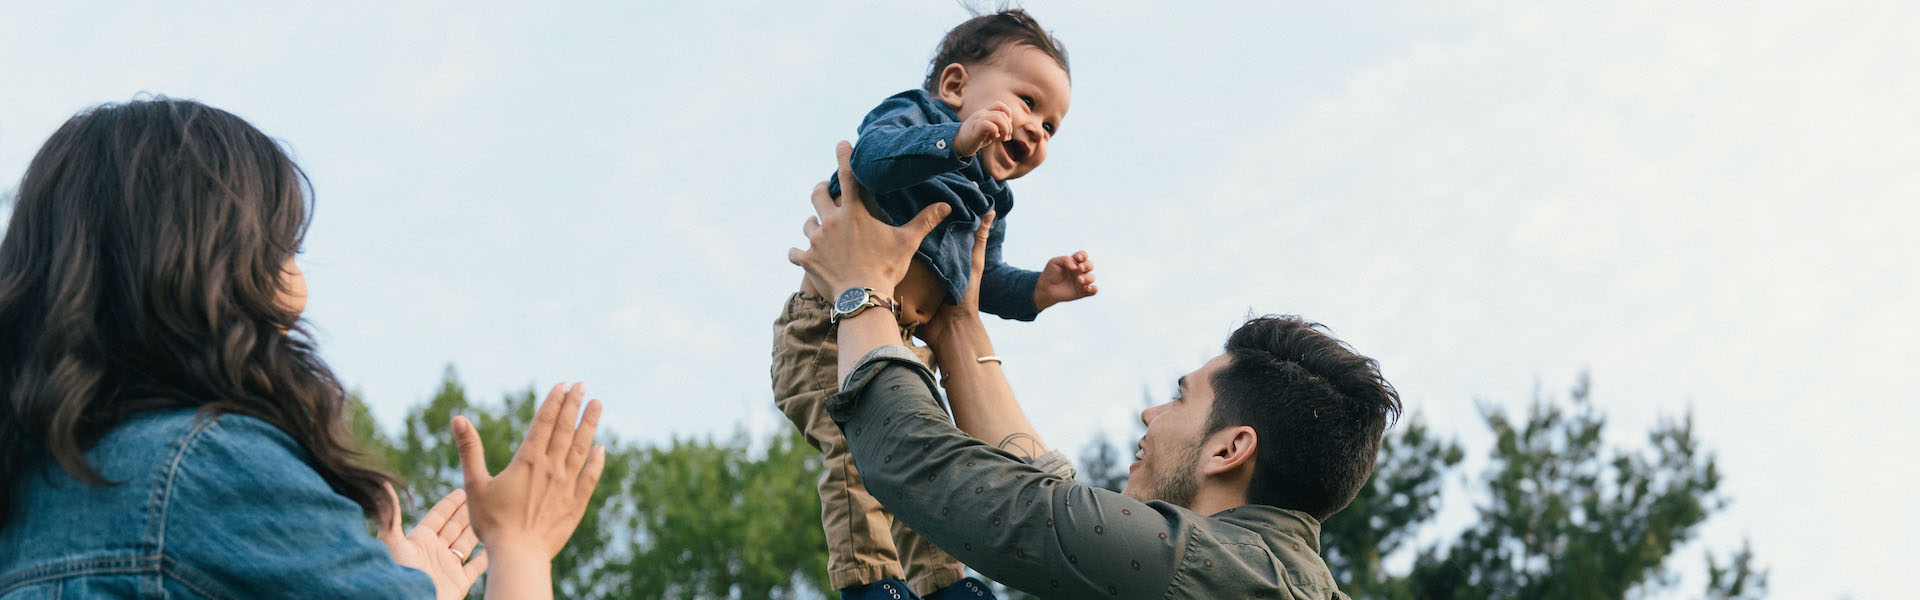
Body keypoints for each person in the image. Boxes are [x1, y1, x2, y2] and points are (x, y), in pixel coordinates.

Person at [0, 98, 606, 600]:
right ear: (202, 266)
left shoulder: (26, 486)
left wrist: (396, 585)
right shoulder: (212, 468)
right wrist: (521, 544)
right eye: (282, 249)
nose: (298, 292)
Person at [789, 144, 1403, 598]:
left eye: (1178, 400)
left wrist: (860, 290)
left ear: (1231, 449)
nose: (1150, 413)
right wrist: (956, 325)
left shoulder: (1199, 566)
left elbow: (920, 467)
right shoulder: (1264, 574)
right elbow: (1048, 497)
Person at [775, 9, 1095, 599]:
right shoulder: (915, 119)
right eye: (1027, 102)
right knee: (858, 452)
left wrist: (1036, 291)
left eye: (1052, 127)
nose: (1037, 131)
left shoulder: (991, 198)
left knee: (923, 463)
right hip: (827, 327)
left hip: (901, 343)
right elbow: (872, 159)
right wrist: (953, 141)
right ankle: (870, 582)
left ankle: (945, 584)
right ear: (955, 87)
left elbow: (982, 280)